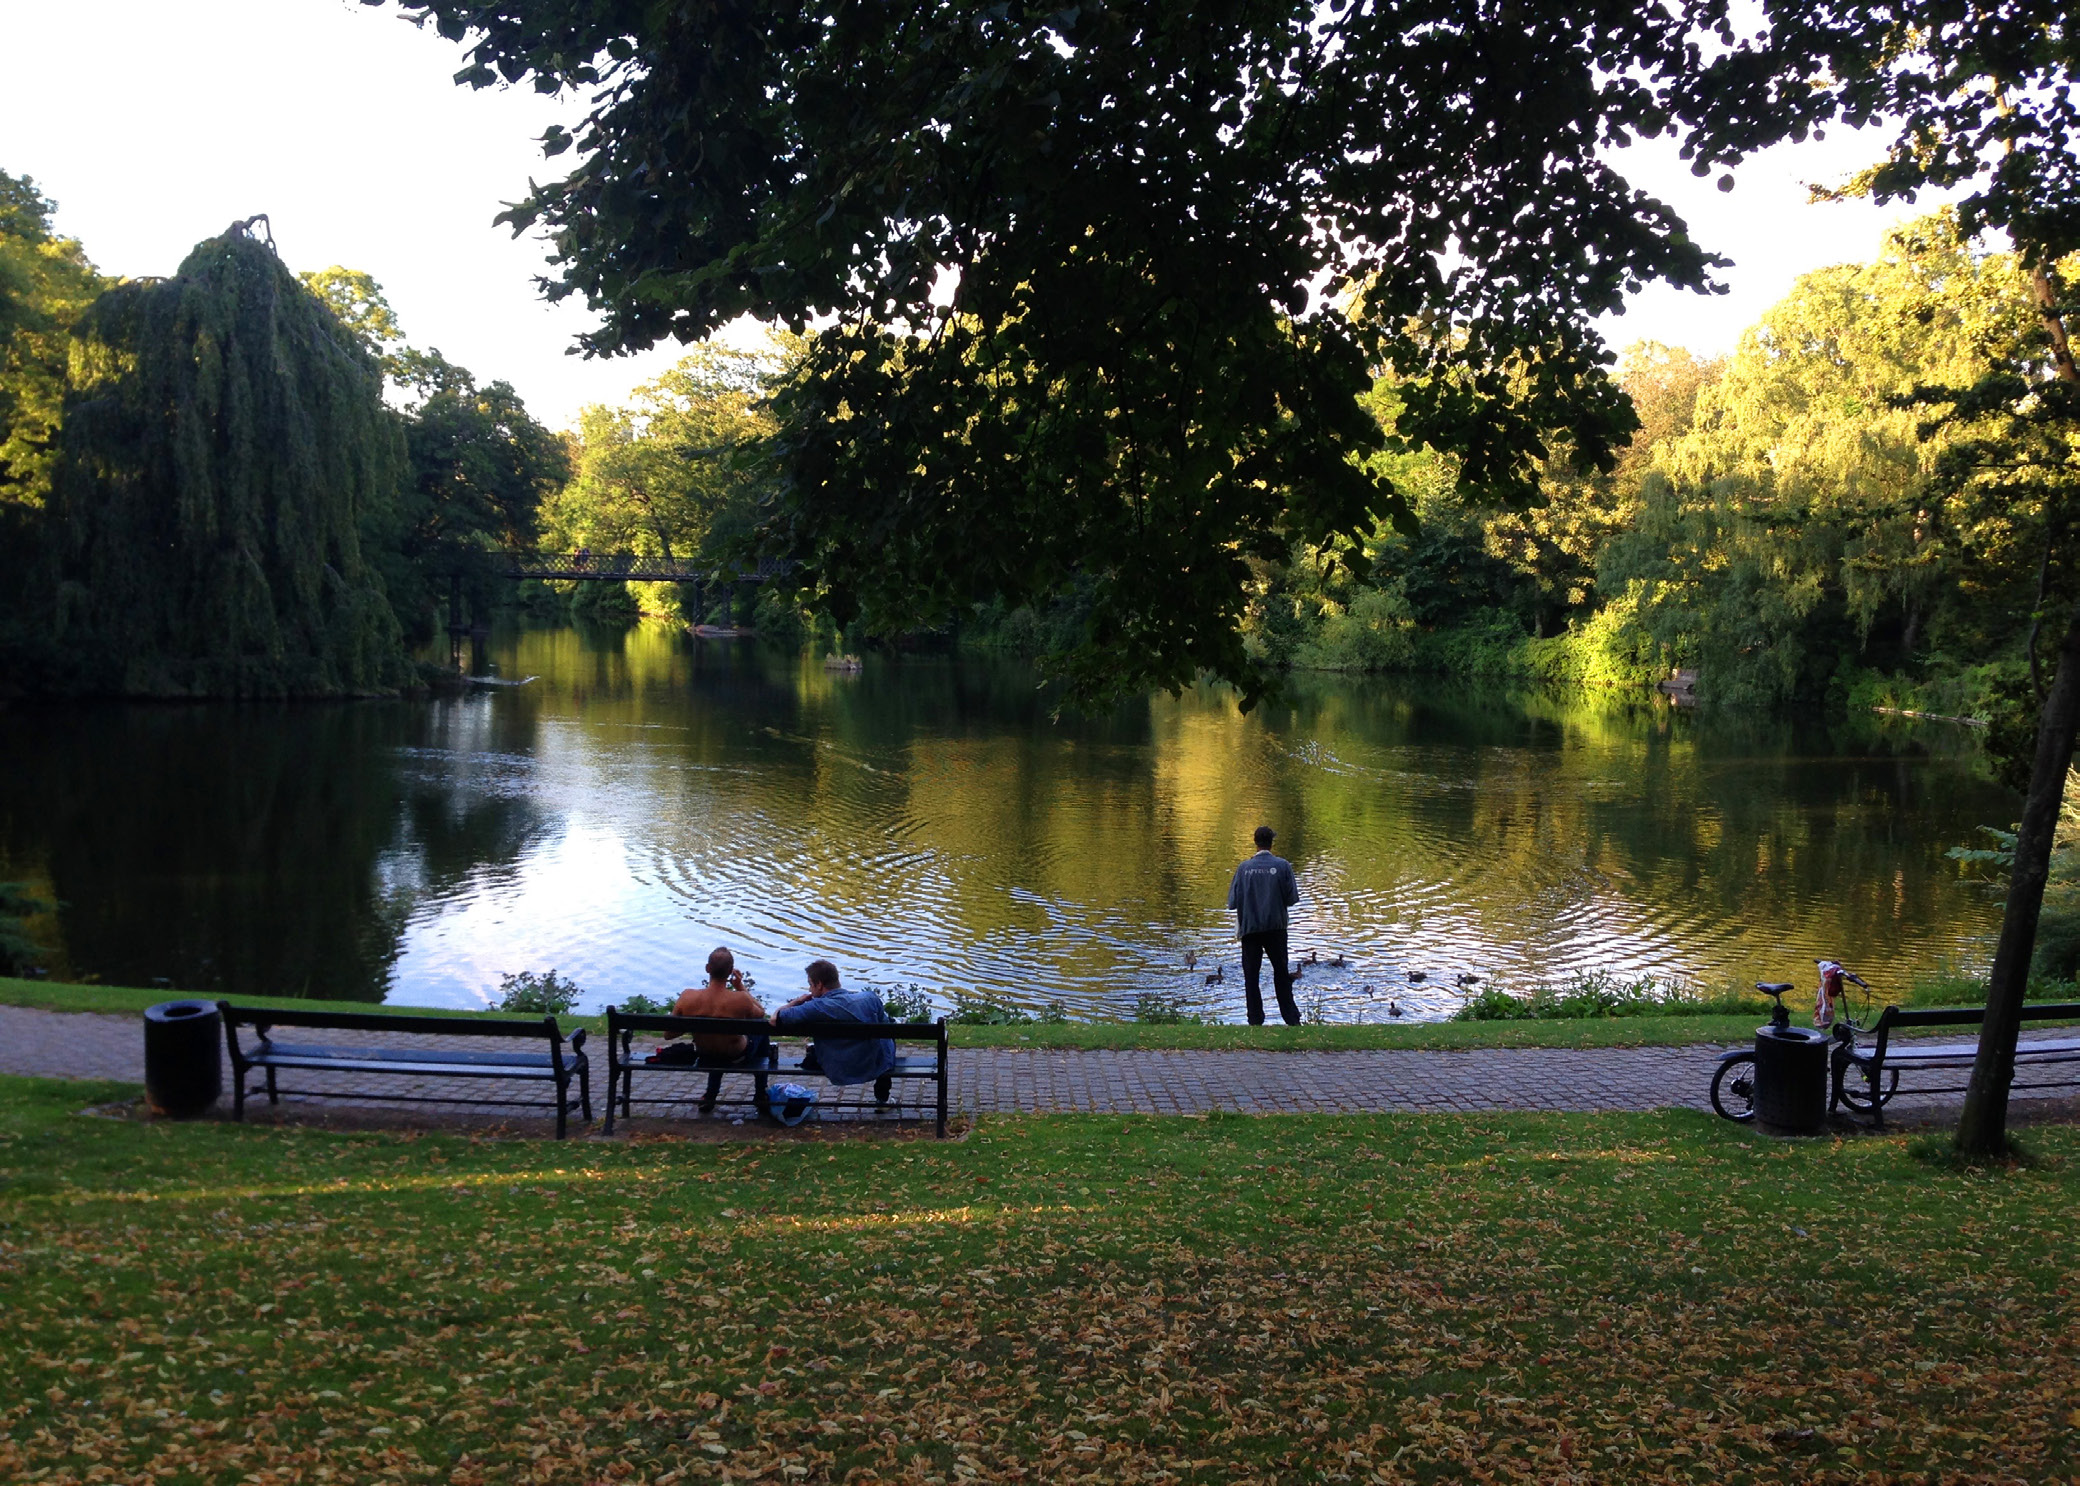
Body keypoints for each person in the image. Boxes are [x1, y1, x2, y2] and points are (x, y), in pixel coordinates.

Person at [771, 959, 897, 1099]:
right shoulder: (870, 998)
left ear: (819, 984)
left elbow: (777, 1018)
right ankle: (882, 1098)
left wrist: (797, 1002)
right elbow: (887, 1027)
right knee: (888, 1033)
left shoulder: (815, 1007)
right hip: (874, 1063)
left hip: (838, 1067)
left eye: (810, 985)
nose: (809, 990)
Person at [1227, 825, 1300, 1026]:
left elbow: (1232, 902)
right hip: (1276, 929)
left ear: (1255, 842)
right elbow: (1292, 899)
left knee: (1251, 976)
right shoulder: (1283, 866)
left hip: (1250, 929)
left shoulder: (1243, 868)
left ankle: (1255, 1020)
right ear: (1271, 842)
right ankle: (1291, 1018)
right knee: (1281, 972)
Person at [670, 947, 769, 1062]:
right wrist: (739, 986)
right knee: (761, 1026)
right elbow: (761, 1013)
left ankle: (714, 1080)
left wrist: (694, 1025)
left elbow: (669, 1034)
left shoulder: (687, 996)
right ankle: (761, 1075)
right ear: (731, 970)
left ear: (707, 968)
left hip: (705, 1054)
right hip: (736, 1055)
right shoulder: (741, 998)